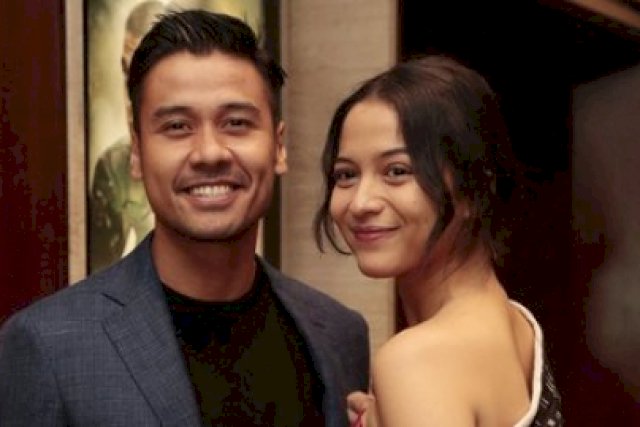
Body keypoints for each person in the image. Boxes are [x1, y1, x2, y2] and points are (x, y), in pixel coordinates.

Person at [0, 10, 370, 426]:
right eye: (177, 126)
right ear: (136, 151)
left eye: (236, 123)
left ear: (279, 147)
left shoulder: (339, 335)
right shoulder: (49, 345)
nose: (209, 153)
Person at [315, 56, 562, 426]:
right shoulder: (516, 324)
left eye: (397, 171)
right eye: (346, 174)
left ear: (474, 188)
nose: (361, 203)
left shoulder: (418, 360)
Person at [89, 1, 165, 272]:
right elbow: (97, 275)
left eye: (149, 75)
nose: (132, 95)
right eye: (126, 72)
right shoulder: (114, 169)